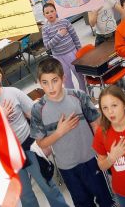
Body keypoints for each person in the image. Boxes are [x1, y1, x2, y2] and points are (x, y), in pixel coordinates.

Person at [0, 60, 68, 207]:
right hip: (10, 154)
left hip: (30, 146)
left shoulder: (13, 93)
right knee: (25, 195)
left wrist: (43, 141)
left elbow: (34, 116)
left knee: (47, 185)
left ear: (0, 77)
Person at [30, 58, 114, 207]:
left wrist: (102, 154)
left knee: (105, 199)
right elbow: (41, 143)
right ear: (39, 82)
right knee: (82, 203)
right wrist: (59, 132)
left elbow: (96, 125)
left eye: (54, 80)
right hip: (67, 167)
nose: (50, 87)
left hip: (91, 159)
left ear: (63, 78)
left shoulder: (78, 95)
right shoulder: (38, 109)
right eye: (45, 82)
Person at [41, 3, 86, 91]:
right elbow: (47, 46)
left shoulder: (65, 22)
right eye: (47, 13)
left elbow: (75, 37)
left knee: (80, 75)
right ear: (44, 15)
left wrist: (79, 51)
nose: (50, 14)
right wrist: (59, 35)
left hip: (72, 53)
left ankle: (84, 94)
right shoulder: (45, 28)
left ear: (56, 11)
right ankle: (72, 97)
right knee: (66, 79)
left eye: (52, 11)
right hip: (58, 57)